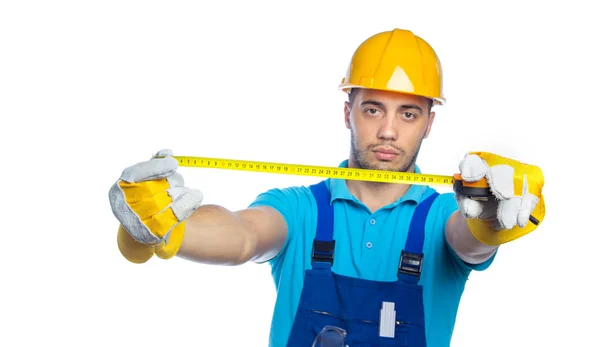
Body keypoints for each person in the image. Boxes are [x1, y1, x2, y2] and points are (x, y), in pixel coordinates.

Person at [108, 28, 546, 347]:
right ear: (347, 112)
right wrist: (167, 225)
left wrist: (490, 215)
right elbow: (242, 236)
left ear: (429, 123)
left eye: (408, 114)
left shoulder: (440, 218)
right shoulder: (300, 210)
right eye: (373, 109)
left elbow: (468, 240)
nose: (389, 131)